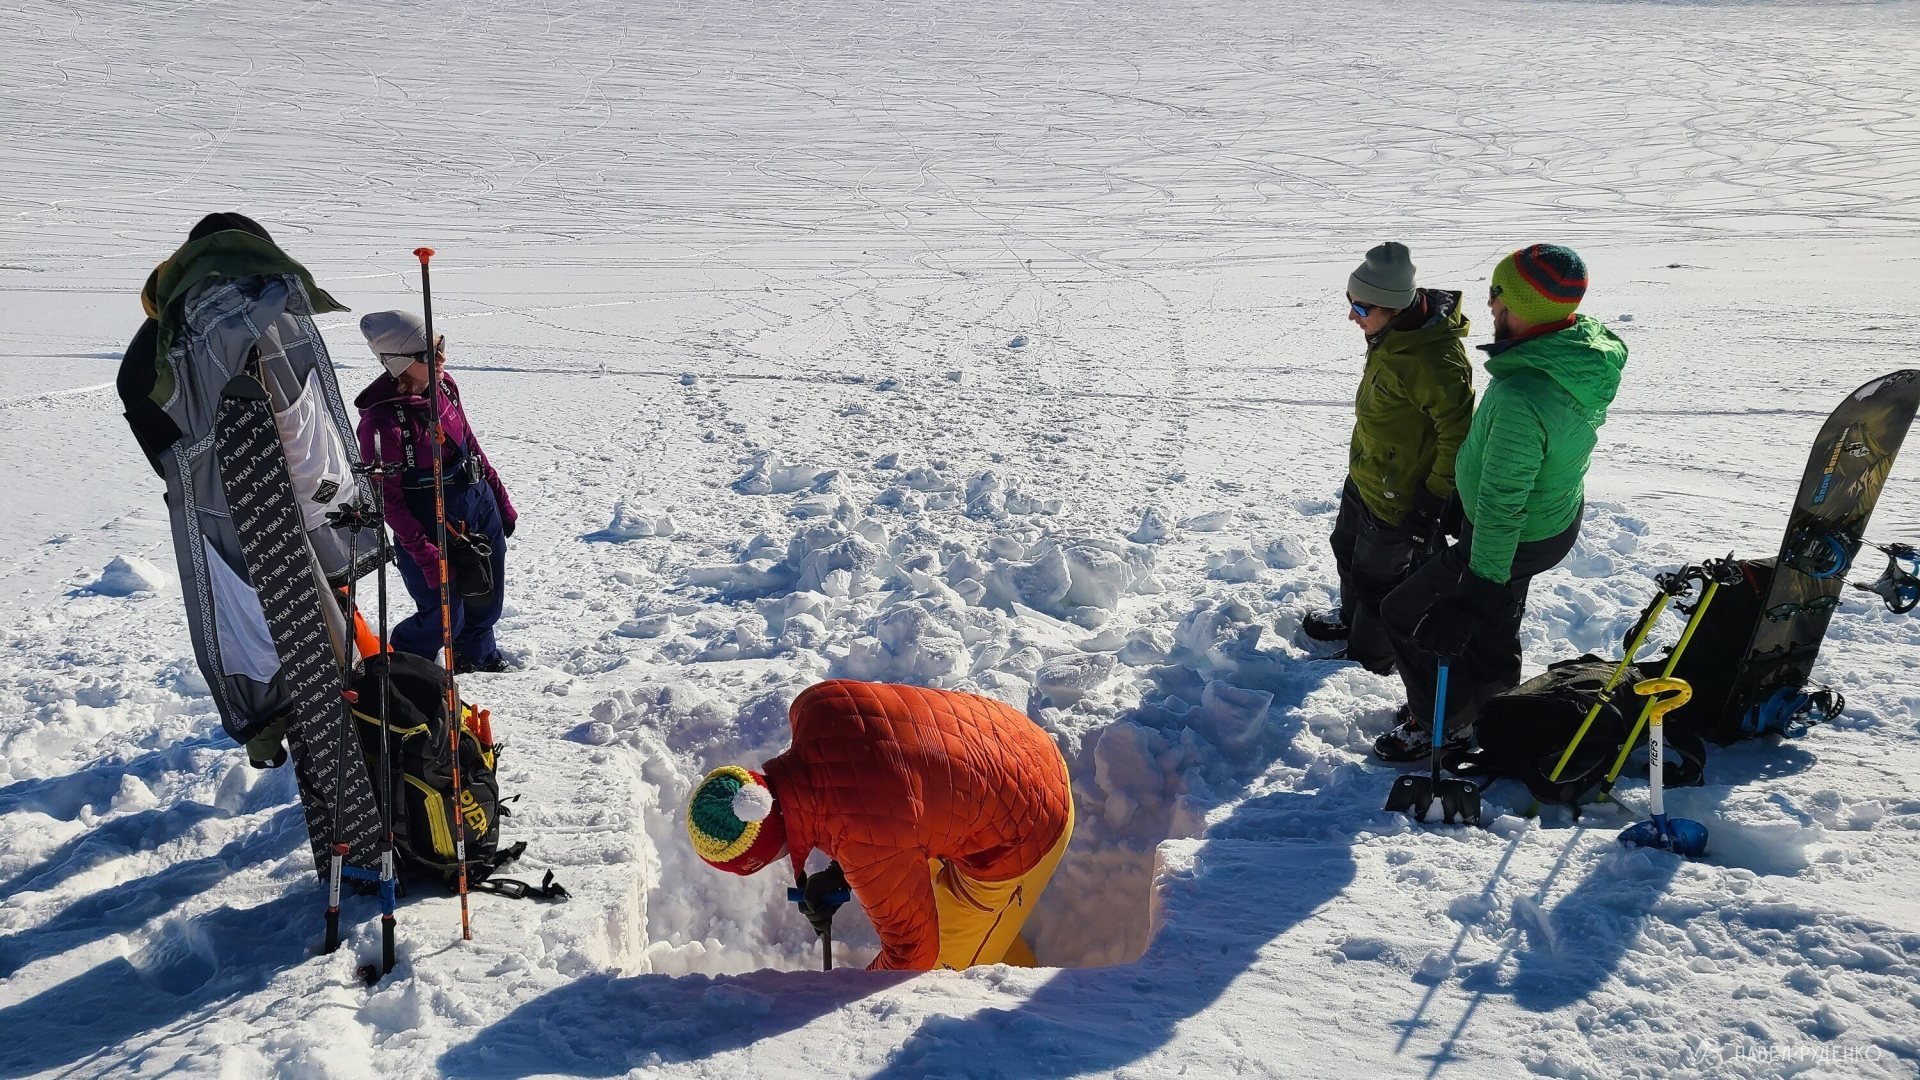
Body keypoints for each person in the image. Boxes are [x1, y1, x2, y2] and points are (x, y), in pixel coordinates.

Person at [1374, 244, 1627, 761]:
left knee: (1404, 612)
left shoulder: (1523, 395)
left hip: (1511, 534)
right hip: (1550, 520)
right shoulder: (1575, 352)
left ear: (1518, 307)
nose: (1488, 305)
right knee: (1496, 621)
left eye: (1496, 295)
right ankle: (1487, 702)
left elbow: (1502, 503)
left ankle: (1438, 721)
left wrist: (1478, 588)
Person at [686, 679, 1074, 972]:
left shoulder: (863, 840)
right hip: (1006, 739)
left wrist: (846, 1003)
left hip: (1027, 819)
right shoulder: (811, 707)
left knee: (947, 978)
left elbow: (914, 955)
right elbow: (874, 789)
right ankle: (1005, 950)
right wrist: (841, 872)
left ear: (763, 854)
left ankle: (1023, 1040)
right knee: (973, 927)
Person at [1302, 242, 1476, 674]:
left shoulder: (1435, 360)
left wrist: (1433, 500)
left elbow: (1459, 436)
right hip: (1366, 476)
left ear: (1394, 308)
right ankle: (1350, 620)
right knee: (1346, 550)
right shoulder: (1391, 333)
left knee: (1380, 583)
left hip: (1400, 498)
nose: (1351, 317)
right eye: (1350, 304)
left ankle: (1370, 658)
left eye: (1361, 309)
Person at [354, 312, 517, 672]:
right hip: (427, 523)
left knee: (486, 597)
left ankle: (476, 656)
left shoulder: (445, 388)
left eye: (440, 345)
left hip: (476, 503)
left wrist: (499, 499)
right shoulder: (379, 425)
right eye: (427, 354)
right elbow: (388, 501)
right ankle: (405, 670)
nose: (441, 358)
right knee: (444, 615)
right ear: (398, 363)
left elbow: (469, 443)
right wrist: (427, 555)